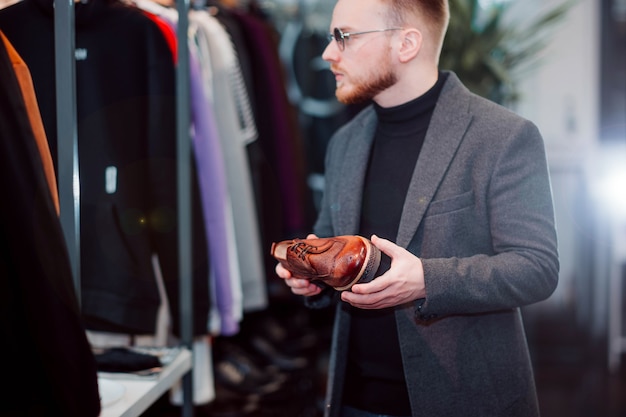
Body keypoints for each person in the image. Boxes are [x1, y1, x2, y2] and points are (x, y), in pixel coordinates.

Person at [275, 0, 560, 416]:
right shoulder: (345, 142)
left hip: (464, 401)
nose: (328, 53)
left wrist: (428, 279)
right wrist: (313, 278)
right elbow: (328, 238)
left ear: (406, 43)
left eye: (345, 37)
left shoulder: (502, 137)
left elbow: (537, 268)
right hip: (353, 400)